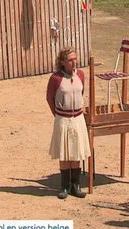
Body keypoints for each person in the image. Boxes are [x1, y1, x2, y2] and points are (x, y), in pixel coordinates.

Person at [46, 47, 91, 199]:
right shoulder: (55, 79)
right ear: (63, 62)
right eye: (70, 60)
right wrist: (58, 115)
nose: (74, 62)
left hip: (78, 118)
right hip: (63, 119)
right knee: (65, 154)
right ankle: (64, 186)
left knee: (76, 152)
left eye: (75, 59)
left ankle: (75, 185)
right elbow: (49, 98)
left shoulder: (80, 75)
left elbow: (81, 92)